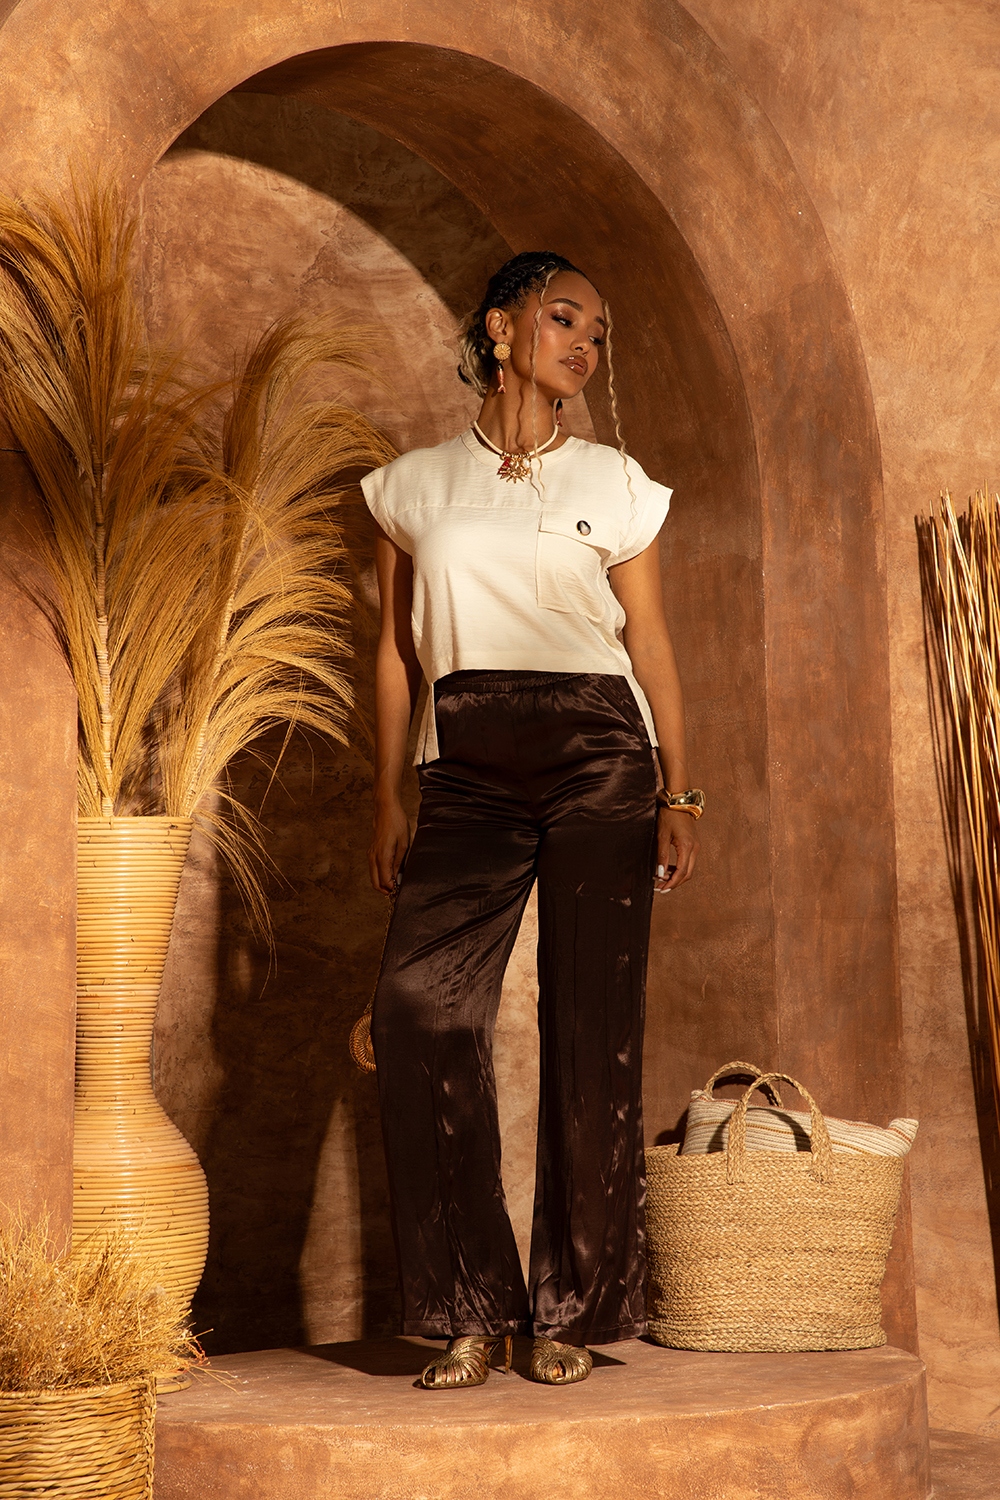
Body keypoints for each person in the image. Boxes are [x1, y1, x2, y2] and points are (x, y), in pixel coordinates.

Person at [361, 251, 701, 1390]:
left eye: (597, 333)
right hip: (465, 759)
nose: (584, 345)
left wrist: (679, 789)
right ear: (501, 328)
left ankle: (571, 1308)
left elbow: (649, 643)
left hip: (601, 752)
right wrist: (388, 792)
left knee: (591, 1022)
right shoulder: (409, 487)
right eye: (564, 319)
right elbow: (394, 654)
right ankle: (471, 1306)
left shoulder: (617, 481)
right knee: (420, 1006)